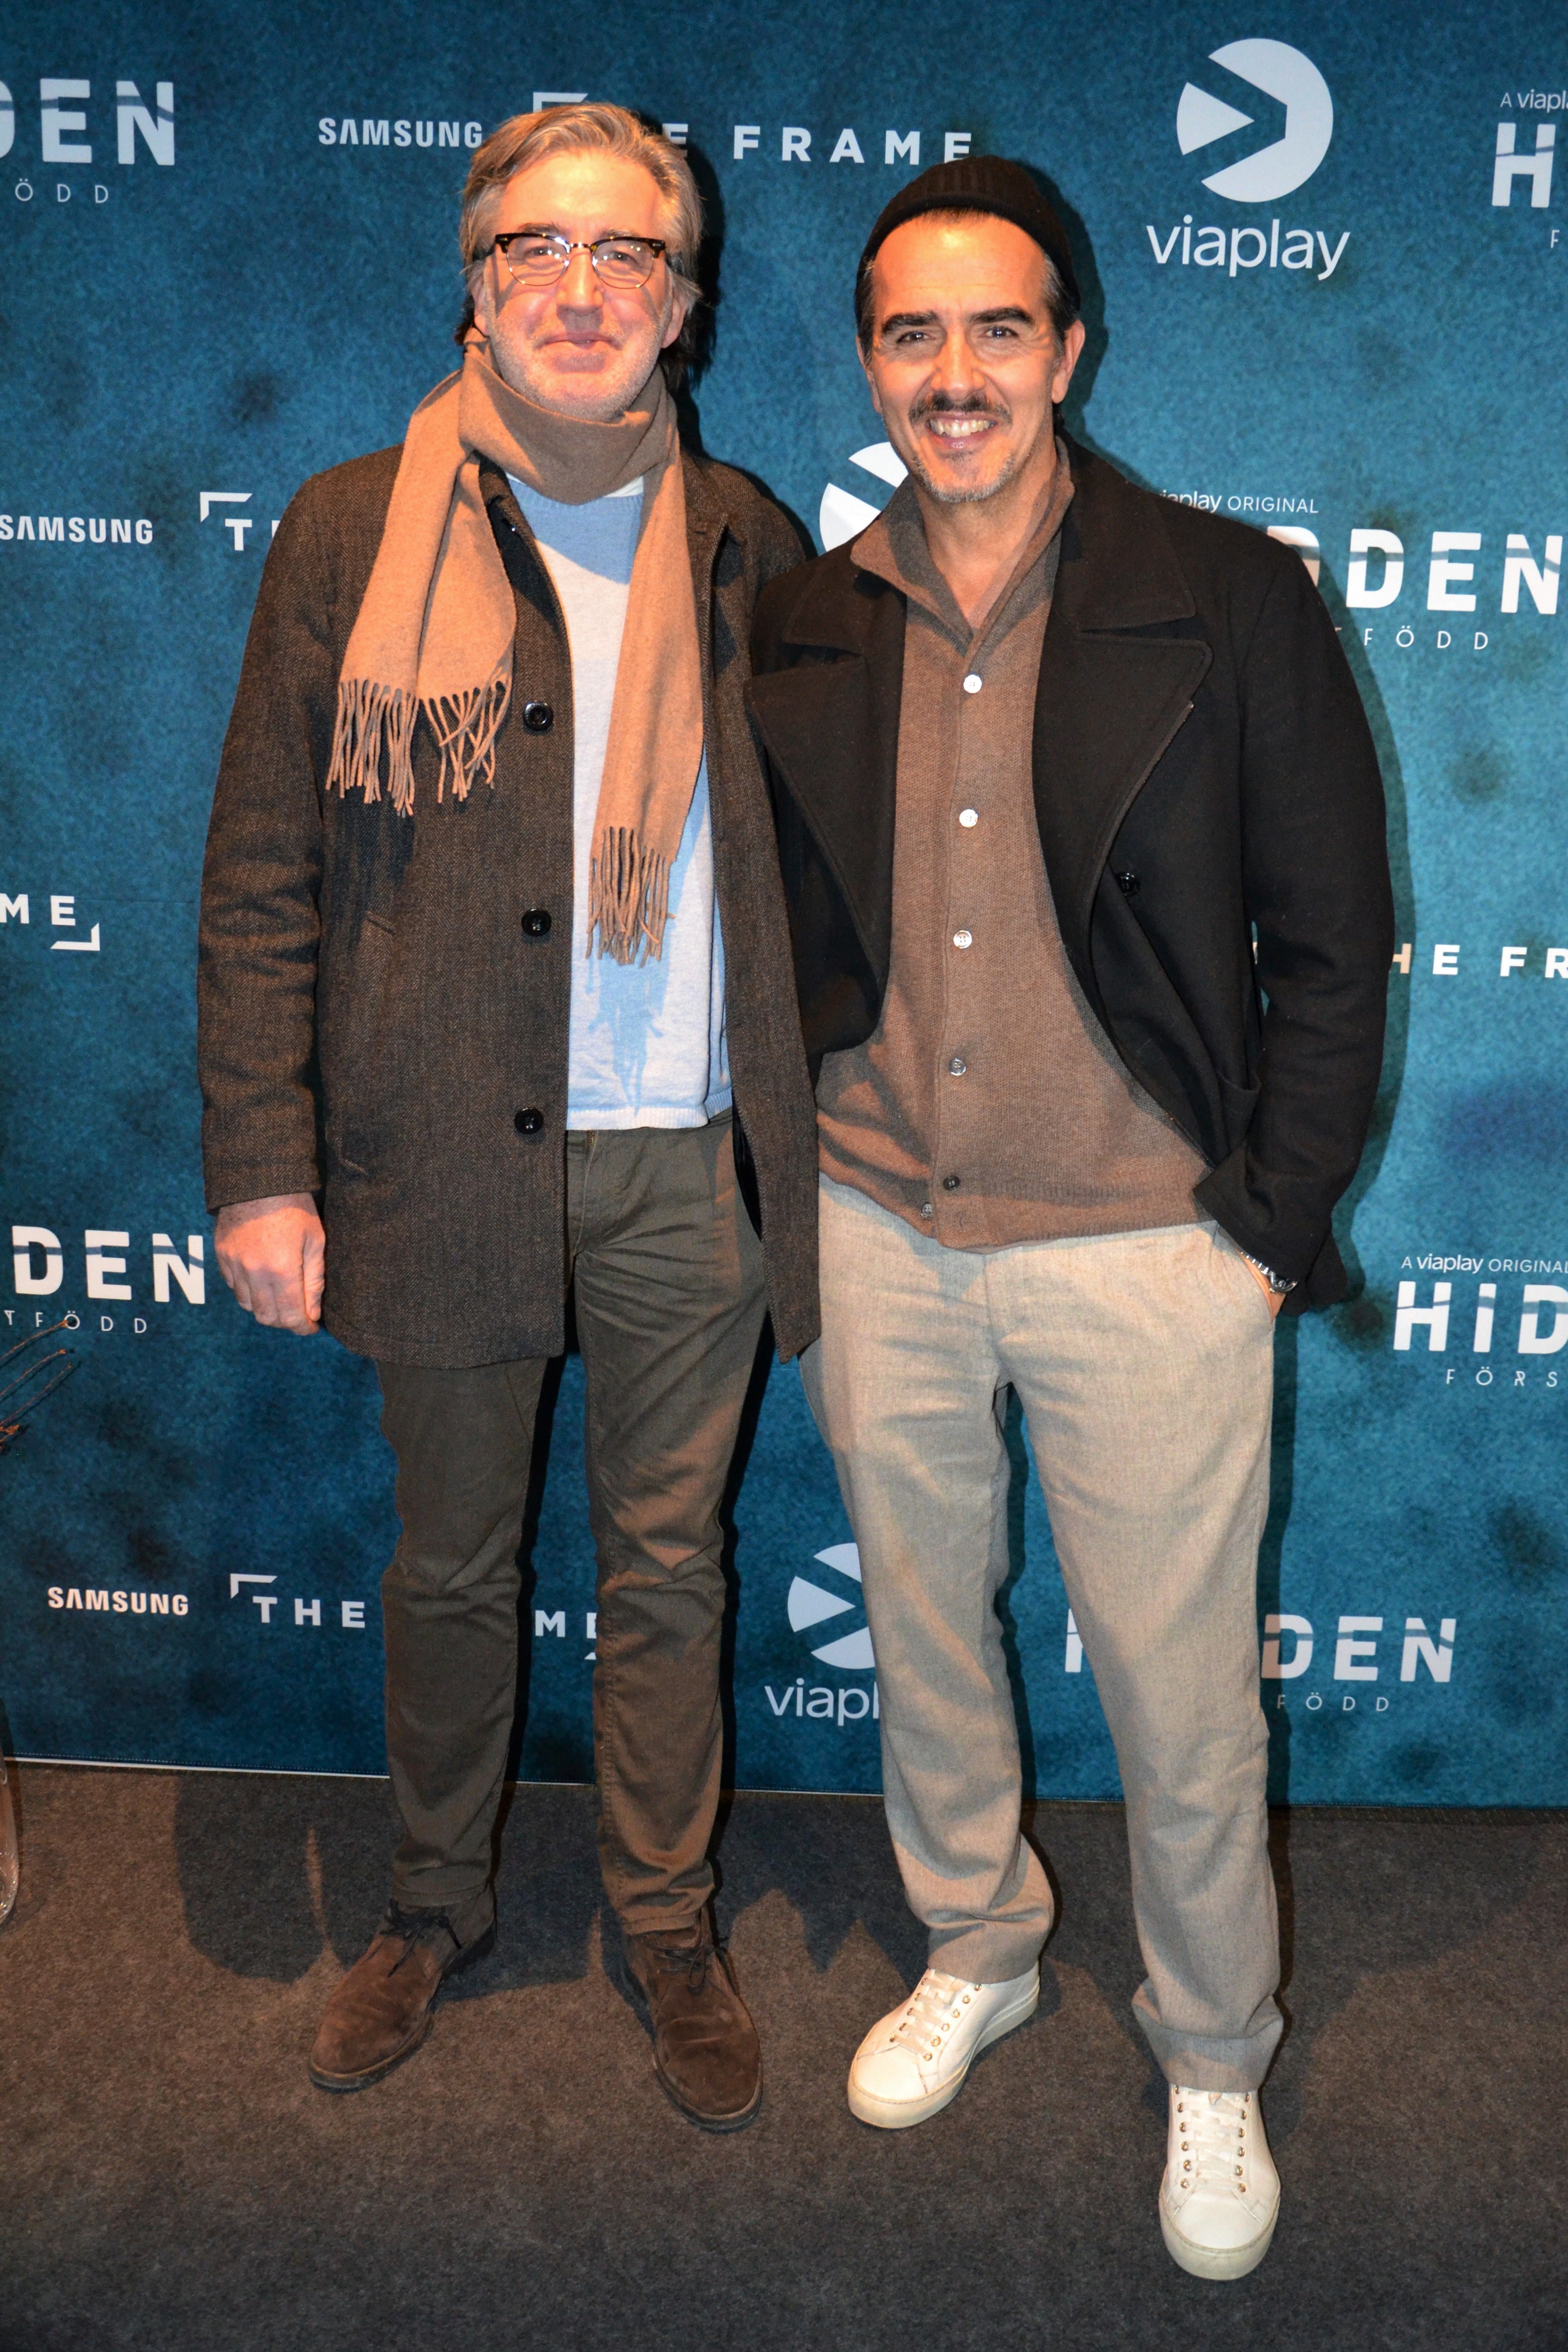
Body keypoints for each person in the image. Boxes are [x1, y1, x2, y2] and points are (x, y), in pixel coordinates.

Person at [748, 156, 1392, 2274]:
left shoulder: (1227, 592)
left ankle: (1211, 2050)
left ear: (1069, 349)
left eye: (997, 327)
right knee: (928, 1643)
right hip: (879, 1231)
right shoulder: (814, 612)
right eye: (912, 333)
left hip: (1148, 1250)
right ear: (872, 363)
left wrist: (1263, 1221)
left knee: (1183, 1700)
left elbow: (1333, 936)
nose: (955, 372)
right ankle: (980, 1944)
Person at [198, 103, 817, 2131]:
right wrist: (264, 1168)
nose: (578, 286)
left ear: (683, 303)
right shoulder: (346, 528)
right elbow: (263, 875)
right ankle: (430, 1905)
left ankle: (667, 1921)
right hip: (443, 1149)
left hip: (687, 1159)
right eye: (534, 247)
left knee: (671, 1568)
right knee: (454, 1567)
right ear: (473, 285)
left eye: (626, 253)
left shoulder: (746, 540)